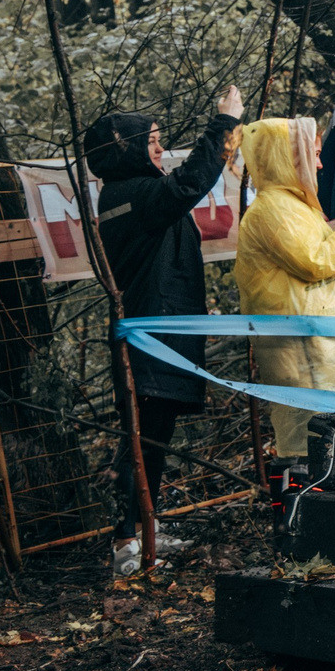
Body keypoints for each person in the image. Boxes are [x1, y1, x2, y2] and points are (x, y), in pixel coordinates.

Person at [85, 85, 246, 576]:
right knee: (142, 437)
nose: (158, 150)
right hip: (149, 340)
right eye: (151, 141)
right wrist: (224, 124)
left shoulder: (131, 194)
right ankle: (125, 543)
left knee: (152, 435)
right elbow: (187, 185)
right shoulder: (132, 195)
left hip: (160, 334)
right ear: (125, 147)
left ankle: (142, 530)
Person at [235, 117, 335, 471]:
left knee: (324, 436)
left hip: (317, 345)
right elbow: (316, 262)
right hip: (303, 350)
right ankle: (294, 517)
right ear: (289, 158)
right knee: (307, 445)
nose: (319, 164)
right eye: (313, 155)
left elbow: (311, 249)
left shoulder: (293, 206)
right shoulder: (273, 208)